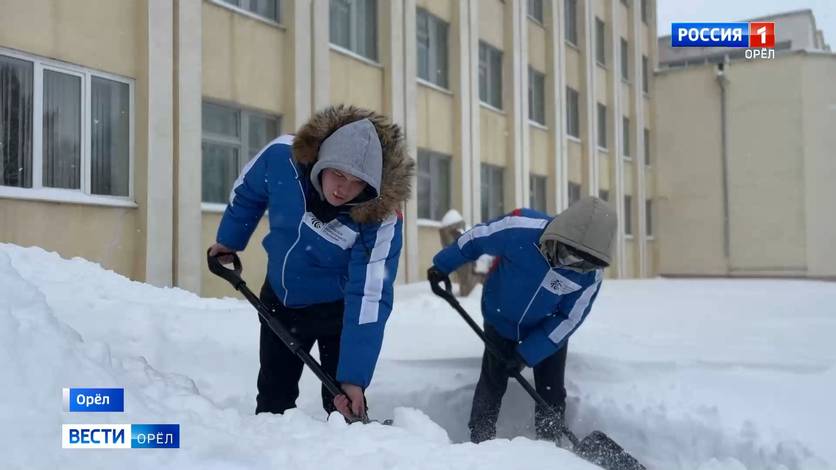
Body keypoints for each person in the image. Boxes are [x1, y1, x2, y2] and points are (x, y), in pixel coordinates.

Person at [208, 105, 414, 421]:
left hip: (338, 312)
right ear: (321, 162)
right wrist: (228, 241)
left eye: (356, 181)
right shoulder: (282, 157)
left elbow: (371, 294)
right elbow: (248, 191)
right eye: (337, 173)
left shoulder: (380, 218)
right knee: (274, 397)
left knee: (343, 406)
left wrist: (354, 376)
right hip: (280, 298)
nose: (342, 188)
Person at [427, 197, 617, 443]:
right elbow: (476, 240)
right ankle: (481, 438)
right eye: (567, 254)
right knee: (493, 380)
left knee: (551, 391)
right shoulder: (521, 229)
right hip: (501, 318)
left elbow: (569, 319)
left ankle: (550, 444)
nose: (569, 263)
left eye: (581, 262)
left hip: (546, 330)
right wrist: (443, 265)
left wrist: (525, 355)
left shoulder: (590, 276)